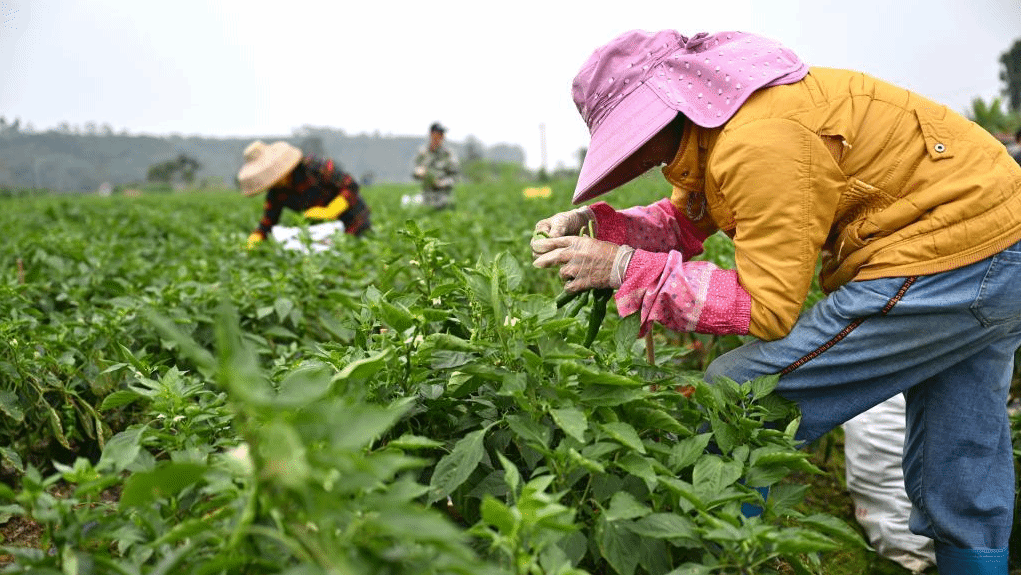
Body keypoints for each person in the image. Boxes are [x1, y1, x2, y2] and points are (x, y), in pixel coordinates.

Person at [531, 30, 1021, 574]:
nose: (634, 154)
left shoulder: (757, 141)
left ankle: (736, 557)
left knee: (738, 396)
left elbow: (766, 311)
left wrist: (624, 269)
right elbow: (684, 221)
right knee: (960, 444)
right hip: (1000, 245)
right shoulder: (725, 126)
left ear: (665, 110)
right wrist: (603, 229)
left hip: (949, 257)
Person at [238, 140, 371, 249]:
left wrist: (332, 210)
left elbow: (350, 185)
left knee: (358, 249)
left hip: (354, 220)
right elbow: (268, 221)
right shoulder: (276, 192)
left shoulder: (314, 166)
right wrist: (255, 239)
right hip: (325, 230)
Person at [412, 122, 459, 209]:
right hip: (426, 194)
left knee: (441, 205)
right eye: (437, 134)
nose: (440, 137)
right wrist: (418, 172)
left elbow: (455, 177)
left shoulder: (448, 154)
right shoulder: (423, 153)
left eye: (442, 135)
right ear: (431, 134)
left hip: (443, 195)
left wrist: (442, 183)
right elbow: (416, 173)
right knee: (408, 204)